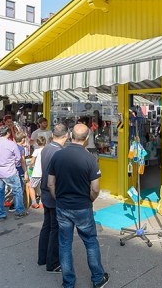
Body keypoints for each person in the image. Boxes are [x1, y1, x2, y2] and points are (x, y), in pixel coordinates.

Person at [48, 124, 109, 288]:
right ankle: (97, 278)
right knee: (90, 242)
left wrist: (58, 198)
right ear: (87, 138)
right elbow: (95, 188)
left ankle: (68, 283)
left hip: (62, 206)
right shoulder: (91, 158)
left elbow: (50, 184)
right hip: (82, 206)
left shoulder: (58, 155)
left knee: (65, 244)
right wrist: (90, 199)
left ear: (70, 136)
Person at [38, 123, 68, 274]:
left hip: (45, 191)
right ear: (66, 135)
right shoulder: (59, 152)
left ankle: (42, 257)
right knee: (55, 229)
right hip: (53, 192)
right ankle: (53, 262)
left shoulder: (46, 148)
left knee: (47, 226)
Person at [0, 125, 28, 221]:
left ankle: (1, 214)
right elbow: (18, 158)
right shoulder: (11, 144)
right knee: (17, 191)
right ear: (8, 133)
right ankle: (19, 211)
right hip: (10, 171)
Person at [29, 136, 46, 209]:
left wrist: (30, 166)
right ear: (45, 142)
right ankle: (42, 203)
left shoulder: (36, 151)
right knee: (43, 188)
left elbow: (32, 162)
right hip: (44, 172)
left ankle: (34, 203)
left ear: (37, 143)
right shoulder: (47, 150)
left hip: (36, 173)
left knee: (31, 186)